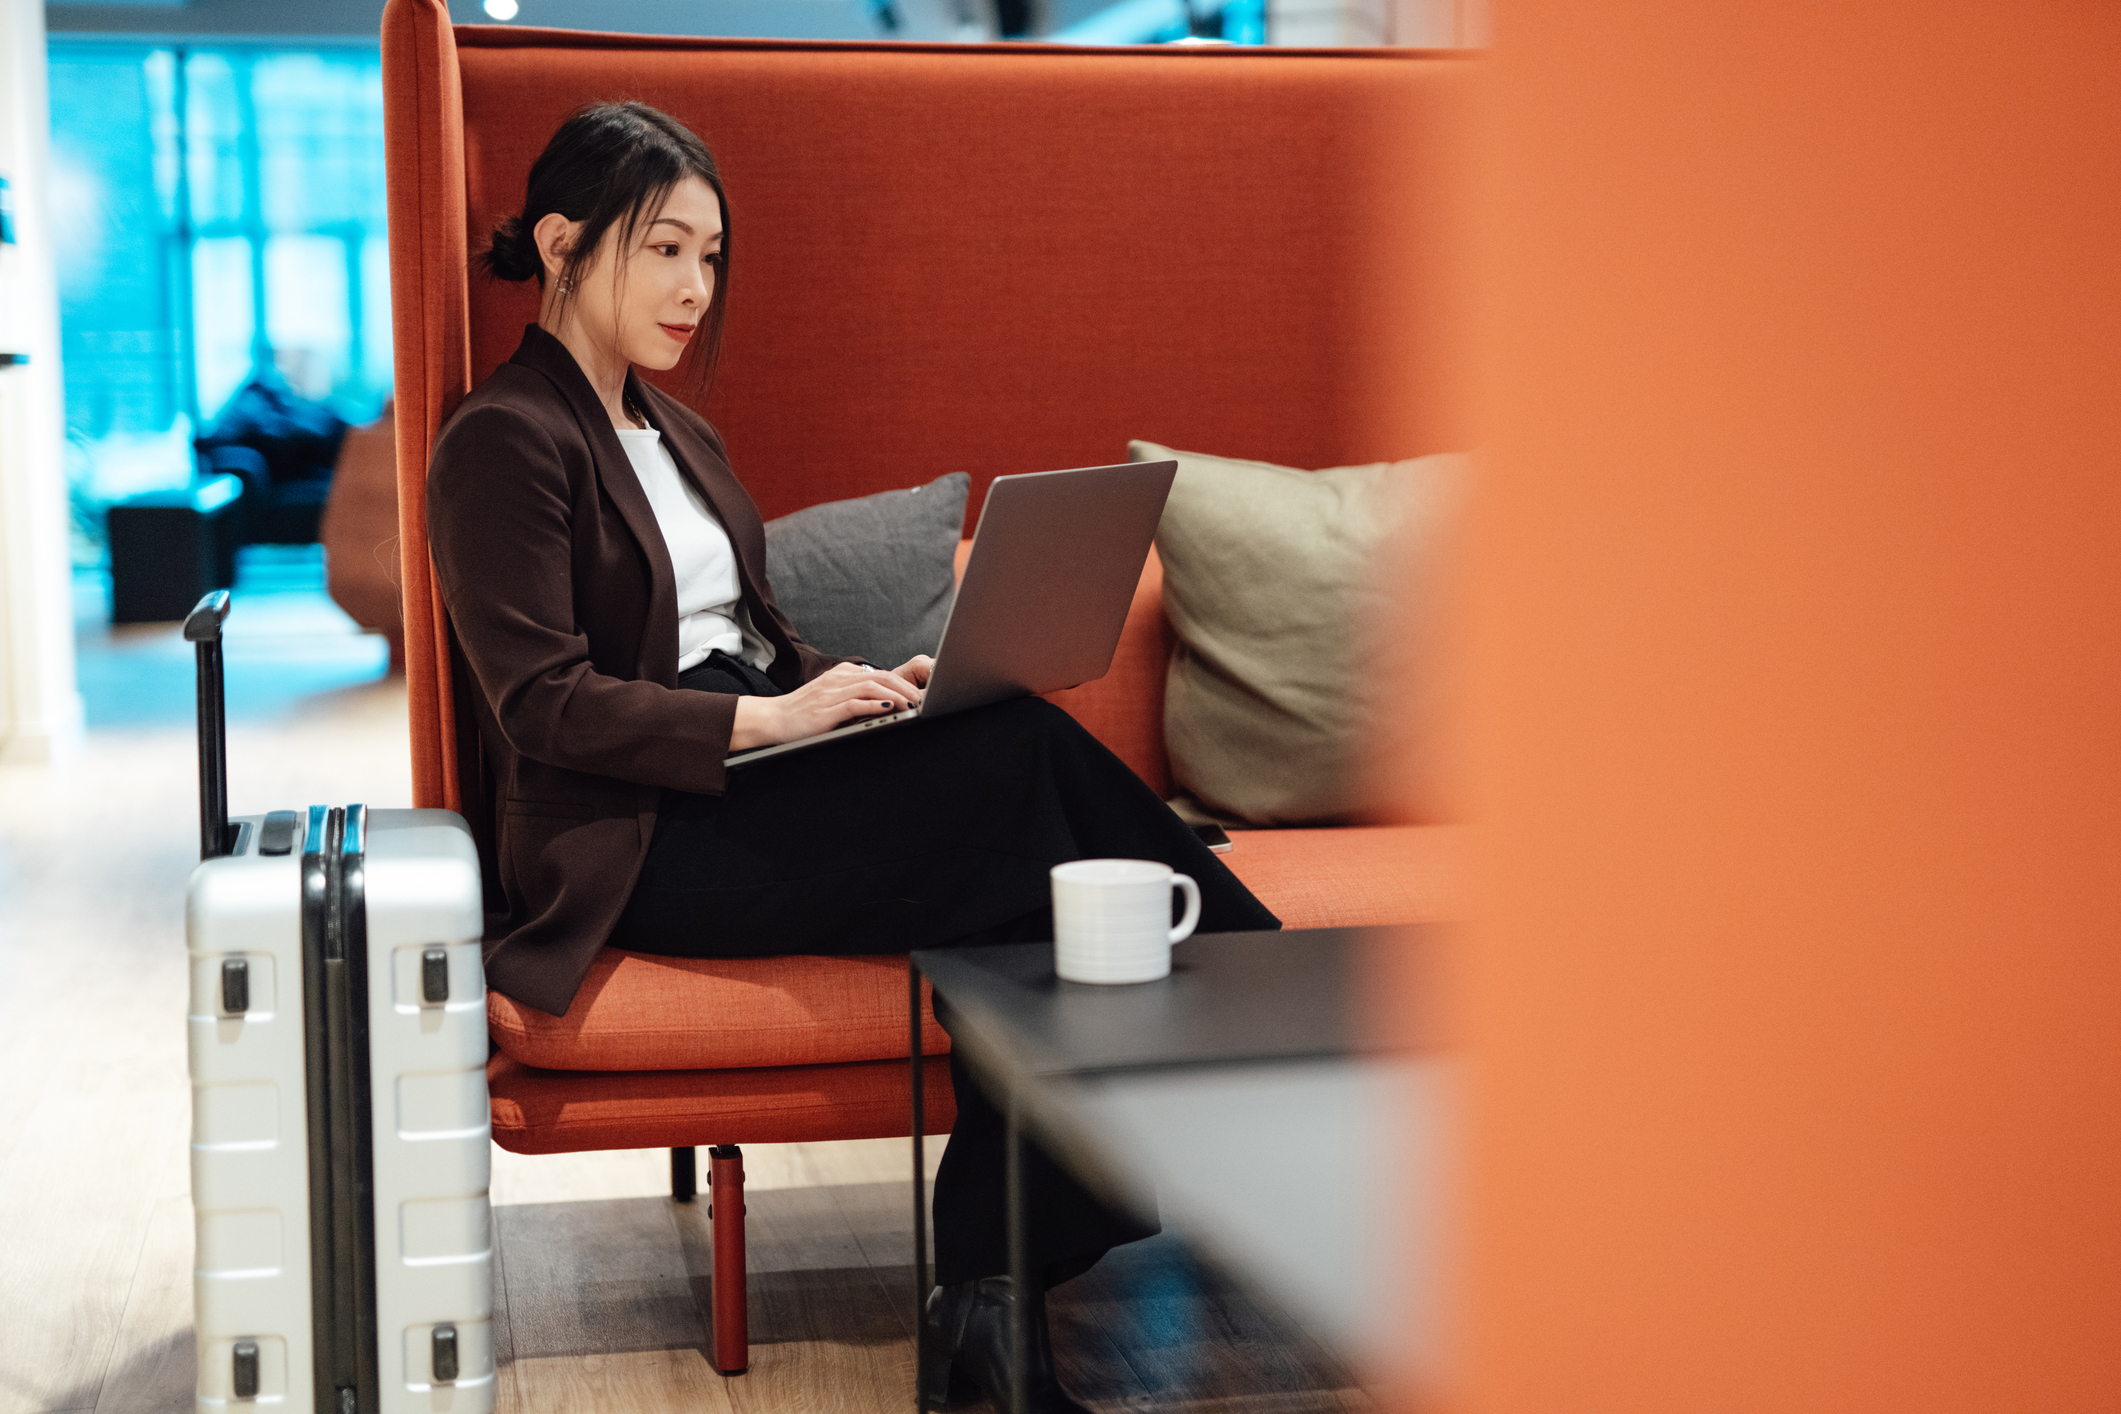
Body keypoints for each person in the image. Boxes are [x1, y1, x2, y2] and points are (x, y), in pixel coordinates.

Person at [426, 101, 1278, 1411]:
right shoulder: (504, 439)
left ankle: (990, 1318)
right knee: (1026, 769)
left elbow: (743, 636)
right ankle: (1266, 1005)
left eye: (711, 257)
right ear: (560, 243)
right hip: (639, 832)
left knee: (1023, 882)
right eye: (663, 249)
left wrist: (846, 691)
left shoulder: (678, 434)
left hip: (747, 776)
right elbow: (540, 701)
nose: (694, 287)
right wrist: (764, 721)